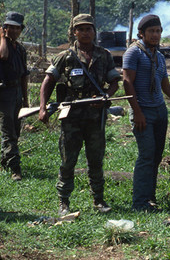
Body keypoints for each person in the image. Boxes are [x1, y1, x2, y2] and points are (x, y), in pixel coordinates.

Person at [39, 14, 120, 215]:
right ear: (74, 32)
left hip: (95, 117)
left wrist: (104, 97)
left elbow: (115, 83)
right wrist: (42, 108)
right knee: (68, 160)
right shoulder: (65, 56)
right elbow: (48, 82)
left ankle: (99, 200)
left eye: (89, 29)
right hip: (71, 116)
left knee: (95, 159)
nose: (85, 33)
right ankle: (63, 202)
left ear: (94, 31)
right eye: (81, 29)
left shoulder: (104, 55)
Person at [122, 14, 170, 212]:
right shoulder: (133, 53)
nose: (155, 35)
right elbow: (127, 83)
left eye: (158, 31)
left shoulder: (159, 56)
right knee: (146, 155)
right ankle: (139, 203)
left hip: (160, 112)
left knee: (155, 156)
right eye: (151, 31)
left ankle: (150, 198)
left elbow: (167, 88)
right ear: (142, 33)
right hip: (142, 111)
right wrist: (137, 112)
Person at [0, 12, 29, 181]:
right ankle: (15, 168)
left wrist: (25, 100)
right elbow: (3, 55)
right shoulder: (2, 45)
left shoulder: (21, 49)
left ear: (20, 30)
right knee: (8, 132)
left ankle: (5, 160)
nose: (12, 30)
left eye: (16, 28)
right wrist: (2, 37)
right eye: (9, 27)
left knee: (15, 131)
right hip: (4, 94)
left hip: (17, 92)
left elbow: (24, 76)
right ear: (4, 29)